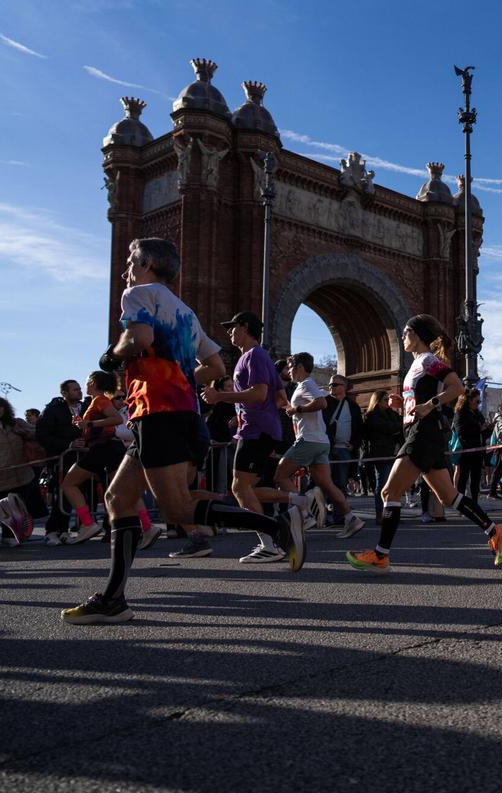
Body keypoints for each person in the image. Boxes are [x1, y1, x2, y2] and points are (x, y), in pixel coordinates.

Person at [62, 238, 302, 625]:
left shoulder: (137, 294)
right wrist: (178, 378)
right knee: (118, 499)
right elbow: (215, 368)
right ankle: (113, 598)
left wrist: (110, 355)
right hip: (173, 413)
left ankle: (274, 525)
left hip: (157, 414)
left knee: (175, 508)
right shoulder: (185, 311)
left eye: (130, 262)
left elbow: (138, 339)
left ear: (149, 263)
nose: (126, 271)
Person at [345, 314, 502, 571]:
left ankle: (380, 554)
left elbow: (456, 387)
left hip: (422, 433)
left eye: (406, 332)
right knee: (448, 497)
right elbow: (423, 398)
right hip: (422, 432)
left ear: (418, 336)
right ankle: (494, 529)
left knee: (389, 492)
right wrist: (405, 405)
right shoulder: (417, 365)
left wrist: (429, 405)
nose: (402, 336)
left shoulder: (429, 361)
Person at [201, 311, 297, 563]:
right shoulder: (258, 356)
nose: (229, 332)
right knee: (250, 488)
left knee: (239, 487)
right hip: (261, 429)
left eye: (232, 327)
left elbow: (258, 393)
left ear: (245, 327)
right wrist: (245, 413)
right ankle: (303, 501)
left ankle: (270, 544)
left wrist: (221, 397)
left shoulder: (253, 356)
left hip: (256, 432)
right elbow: (279, 398)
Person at [253, 352, 363, 539]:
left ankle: (304, 512)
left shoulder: (306, 384)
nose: (288, 371)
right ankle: (351, 518)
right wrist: (290, 408)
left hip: (308, 440)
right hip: (320, 442)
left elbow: (321, 403)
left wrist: (298, 409)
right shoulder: (304, 387)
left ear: (300, 367)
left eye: (290, 367)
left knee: (280, 476)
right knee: (327, 485)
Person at [58, 371, 128, 544]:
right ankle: (145, 526)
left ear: (94, 383)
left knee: (68, 484)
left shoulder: (100, 400)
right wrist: (84, 426)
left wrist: (89, 423)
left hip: (103, 448)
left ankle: (88, 523)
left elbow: (117, 419)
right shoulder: (97, 401)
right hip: (109, 447)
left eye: (87, 382)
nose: (85, 386)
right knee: (118, 491)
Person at [35, 379, 88, 544]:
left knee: (82, 493)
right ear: (64, 393)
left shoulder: (86, 407)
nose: (79, 392)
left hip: (84, 458)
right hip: (62, 459)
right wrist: (68, 445)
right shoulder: (52, 410)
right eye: (74, 389)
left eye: (80, 389)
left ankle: (71, 528)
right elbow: (42, 435)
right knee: (63, 495)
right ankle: (53, 530)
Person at [0, 395, 38, 546]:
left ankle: (11, 535)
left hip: (21, 474)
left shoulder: (16, 423)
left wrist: (24, 433)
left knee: (16, 509)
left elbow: (37, 434)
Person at [324, 374, 364, 524]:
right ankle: (323, 516)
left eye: (335, 385)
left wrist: (354, 443)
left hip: (344, 450)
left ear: (344, 387)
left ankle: (339, 516)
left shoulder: (353, 406)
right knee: (324, 483)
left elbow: (359, 428)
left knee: (340, 483)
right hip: (326, 449)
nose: (331, 387)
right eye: (330, 385)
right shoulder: (324, 403)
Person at [364, 389, 404, 526]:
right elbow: (389, 428)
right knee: (382, 484)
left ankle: (391, 514)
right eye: (386, 400)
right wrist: (396, 428)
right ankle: (380, 514)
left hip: (393, 453)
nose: (389, 402)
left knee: (394, 485)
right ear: (377, 401)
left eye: (389, 400)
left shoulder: (391, 413)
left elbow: (401, 424)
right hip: (380, 454)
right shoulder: (372, 416)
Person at [452, 387, 486, 505]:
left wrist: (487, 428)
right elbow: (460, 431)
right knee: (463, 478)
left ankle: (475, 503)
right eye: (477, 401)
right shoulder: (460, 413)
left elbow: (483, 428)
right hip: (466, 450)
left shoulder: (477, 413)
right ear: (469, 400)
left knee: (476, 479)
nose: (478, 404)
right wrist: (478, 428)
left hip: (478, 450)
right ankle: (461, 504)